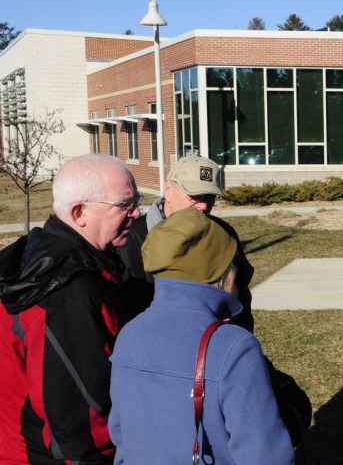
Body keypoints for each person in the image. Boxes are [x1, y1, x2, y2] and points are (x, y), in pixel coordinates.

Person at [109, 207, 294, 464]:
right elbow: (266, 456)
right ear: (221, 271)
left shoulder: (129, 333)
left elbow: (121, 436)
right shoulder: (234, 347)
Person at [0, 153, 141, 463]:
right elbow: (82, 427)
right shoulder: (67, 292)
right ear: (80, 213)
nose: (138, 213)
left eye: (137, 201)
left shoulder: (47, 253)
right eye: (125, 205)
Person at [118, 155, 256, 330]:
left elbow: (241, 291)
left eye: (209, 197)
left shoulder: (223, 233)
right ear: (168, 190)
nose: (204, 205)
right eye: (195, 196)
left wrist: (240, 330)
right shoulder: (132, 237)